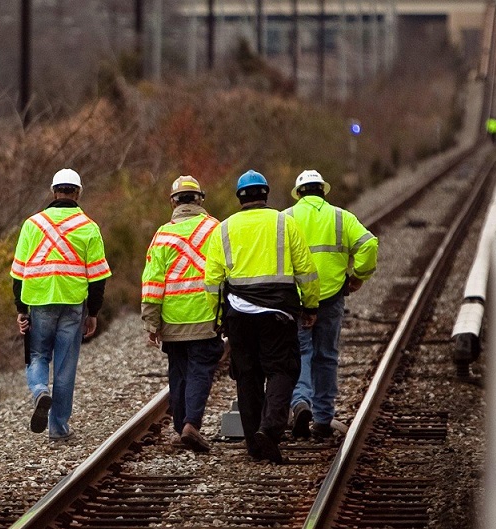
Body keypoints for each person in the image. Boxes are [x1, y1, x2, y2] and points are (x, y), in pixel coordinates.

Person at [204, 169, 320, 464]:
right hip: (278, 313)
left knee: (247, 375)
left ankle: (253, 442)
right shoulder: (285, 223)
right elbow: (306, 270)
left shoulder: (224, 228)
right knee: (282, 370)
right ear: (265, 194)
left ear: (240, 197)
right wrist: (310, 306)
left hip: (238, 314)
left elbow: (213, 279)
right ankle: (269, 430)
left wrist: (217, 317)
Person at [11, 168, 111, 442]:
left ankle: (40, 390)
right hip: (73, 303)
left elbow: (18, 273)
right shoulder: (89, 227)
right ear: (78, 193)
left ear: (53, 191)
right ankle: (58, 427)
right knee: (66, 366)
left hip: (40, 301)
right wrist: (93, 313)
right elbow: (98, 276)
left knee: (38, 355)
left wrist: (21, 310)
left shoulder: (32, 225)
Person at [285, 170, 378, 440]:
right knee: (326, 357)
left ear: (299, 193)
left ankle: (300, 402)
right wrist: (359, 276)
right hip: (332, 295)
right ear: (323, 191)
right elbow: (368, 244)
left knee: (300, 353)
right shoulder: (341, 217)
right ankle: (323, 419)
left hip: (297, 297)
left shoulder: (286, 218)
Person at [141, 175, 223, 453]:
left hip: (173, 320)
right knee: (201, 369)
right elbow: (228, 273)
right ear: (200, 198)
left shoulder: (163, 235)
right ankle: (191, 424)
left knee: (178, 372)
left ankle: (180, 427)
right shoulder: (216, 229)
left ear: (173, 201)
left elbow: (152, 282)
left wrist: (152, 322)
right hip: (206, 315)